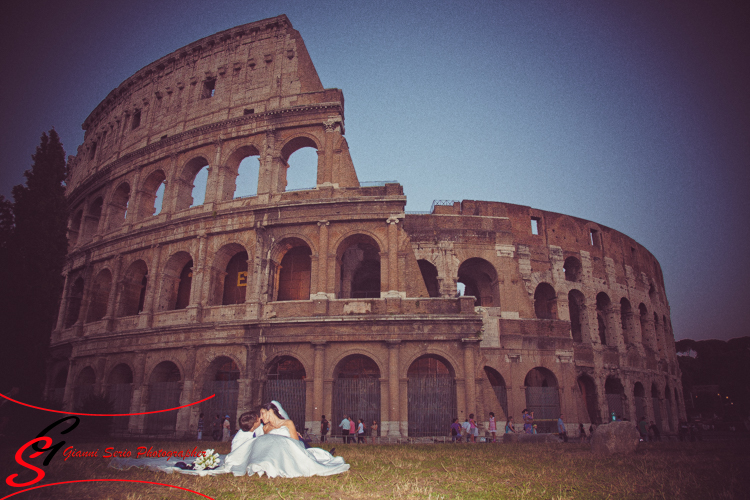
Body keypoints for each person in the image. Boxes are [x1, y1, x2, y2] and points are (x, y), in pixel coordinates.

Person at [110, 401, 349, 478]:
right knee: (265, 449)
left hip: (289, 450)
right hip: (269, 451)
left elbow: (295, 441)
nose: (262, 417)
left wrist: (288, 442)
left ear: (272, 413)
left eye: (264, 414)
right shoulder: (263, 429)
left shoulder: (287, 424)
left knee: (281, 448)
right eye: (261, 415)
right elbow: (259, 440)